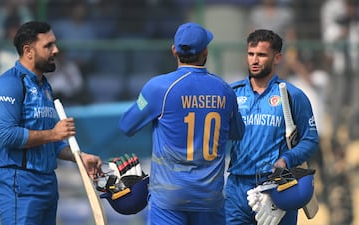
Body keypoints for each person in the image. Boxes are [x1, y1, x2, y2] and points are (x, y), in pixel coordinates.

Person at [118, 22, 245, 225]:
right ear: (205, 52)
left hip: (169, 198)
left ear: (174, 50)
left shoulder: (158, 87)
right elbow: (238, 132)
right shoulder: (225, 90)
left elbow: (126, 125)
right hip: (209, 198)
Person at [0, 21, 103, 225]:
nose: (56, 50)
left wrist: (79, 157)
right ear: (28, 51)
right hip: (19, 184)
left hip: (47, 183)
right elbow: (5, 135)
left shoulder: (45, 87)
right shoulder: (9, 84)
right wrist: (53, 134)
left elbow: (51, 142)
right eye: (48, 45)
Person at [224, 29, 319, 225]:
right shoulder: (232, 93)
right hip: (237, 187)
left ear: (277, 58)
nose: (254, 60)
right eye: (251, 54)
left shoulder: (293, 95)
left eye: (261, 55)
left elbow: (310, 139)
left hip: (277, 186)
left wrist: (286, 159)